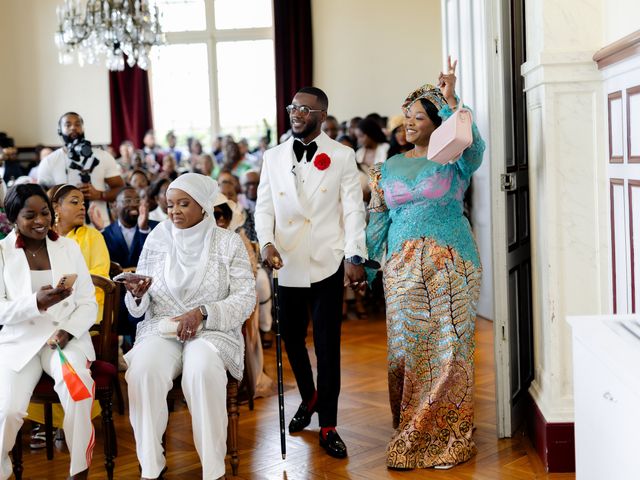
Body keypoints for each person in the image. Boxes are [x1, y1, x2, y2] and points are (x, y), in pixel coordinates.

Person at [365, 60, 485, 469]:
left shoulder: (454, 159)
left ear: (437, 123)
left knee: (451, 351)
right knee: (406, 353)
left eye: (420, 117)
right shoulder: (385, 169)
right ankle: (412, 432)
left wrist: (450, 101)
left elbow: (477, 147)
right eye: (407, 117)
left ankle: (451, 438)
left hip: (453, 264)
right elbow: (378, 219)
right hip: (401, 270)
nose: (410, 123)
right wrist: (366, 266)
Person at [255, 86, 368, 459]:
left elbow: (353, 209)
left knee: (327, 345)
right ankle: (310, 395)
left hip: (326, 261)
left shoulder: (342, 155)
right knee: (290, 338)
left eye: (306, 109)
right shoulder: (272, 157)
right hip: (286, 261)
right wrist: (266, 242)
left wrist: (355, 255)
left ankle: (329, 424)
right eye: (293, 107)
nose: (297, 113)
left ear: (322, 115)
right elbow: (264, 208)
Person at [121, 173, 255, 479]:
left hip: (212, 331)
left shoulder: (228, 242)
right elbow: (140, 306)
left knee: (202, 370)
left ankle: (213, 469)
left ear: (205, 206)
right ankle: (151, 466)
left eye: (184, 204)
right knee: (142, 370)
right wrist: (138, 295)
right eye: (170, 205)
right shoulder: (157, 238)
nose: (174, 211)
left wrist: (204, 312)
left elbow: (246, 297)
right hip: (162, 327)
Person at [0, 184, 97, 480]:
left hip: (62, 339)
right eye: (30, 215)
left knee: (78, 389)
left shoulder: (68, 247)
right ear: (14, 218)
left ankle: (78, 468)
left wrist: (68, 331)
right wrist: (34, 303)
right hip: (20, 342)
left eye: (45, 212)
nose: (41, 221)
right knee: (7, 411)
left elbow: (88, 302)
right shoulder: (3, 252)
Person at [38, 112, 125, 227]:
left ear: (83, 128)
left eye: (77, 124)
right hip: (63, 231)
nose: (73, 127)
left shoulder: (103, 156)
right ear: (60, 130)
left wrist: (100, 195)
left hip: (100, 228)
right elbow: (40, 198)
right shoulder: (49, 162)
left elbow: (121, 189)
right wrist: (63, 198)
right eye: (68, 125)